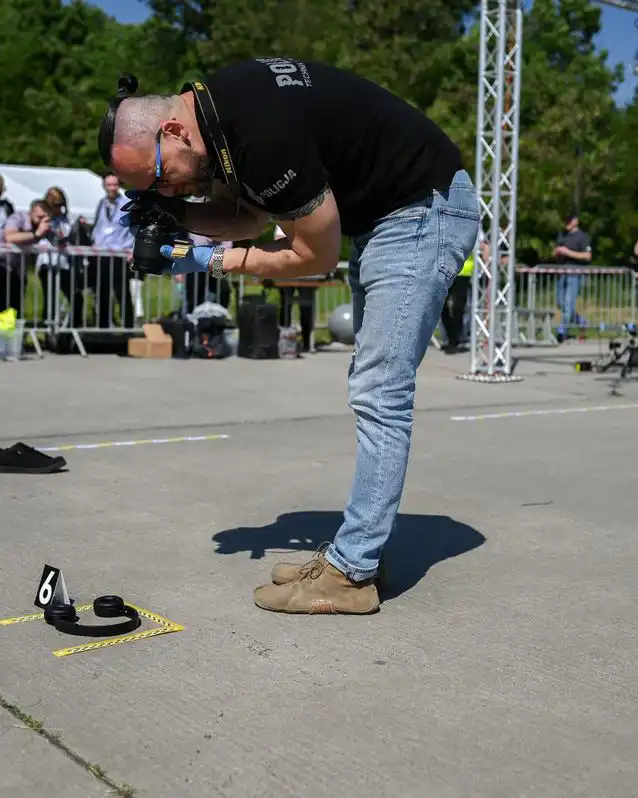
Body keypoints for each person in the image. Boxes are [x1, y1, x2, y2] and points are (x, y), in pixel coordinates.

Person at [101, 57, 480, 615]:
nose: (166, 186)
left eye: (159, 176)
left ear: (174, 131)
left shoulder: (260, 132)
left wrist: (202, 258)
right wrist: (175, 213)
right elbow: (250, 218)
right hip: (393, 214)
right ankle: (357, 553)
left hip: (422, 213)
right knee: (373, 389)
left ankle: (352, 574)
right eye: (150, 188)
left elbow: (313, 255)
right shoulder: (218, 114)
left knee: (381, 392)